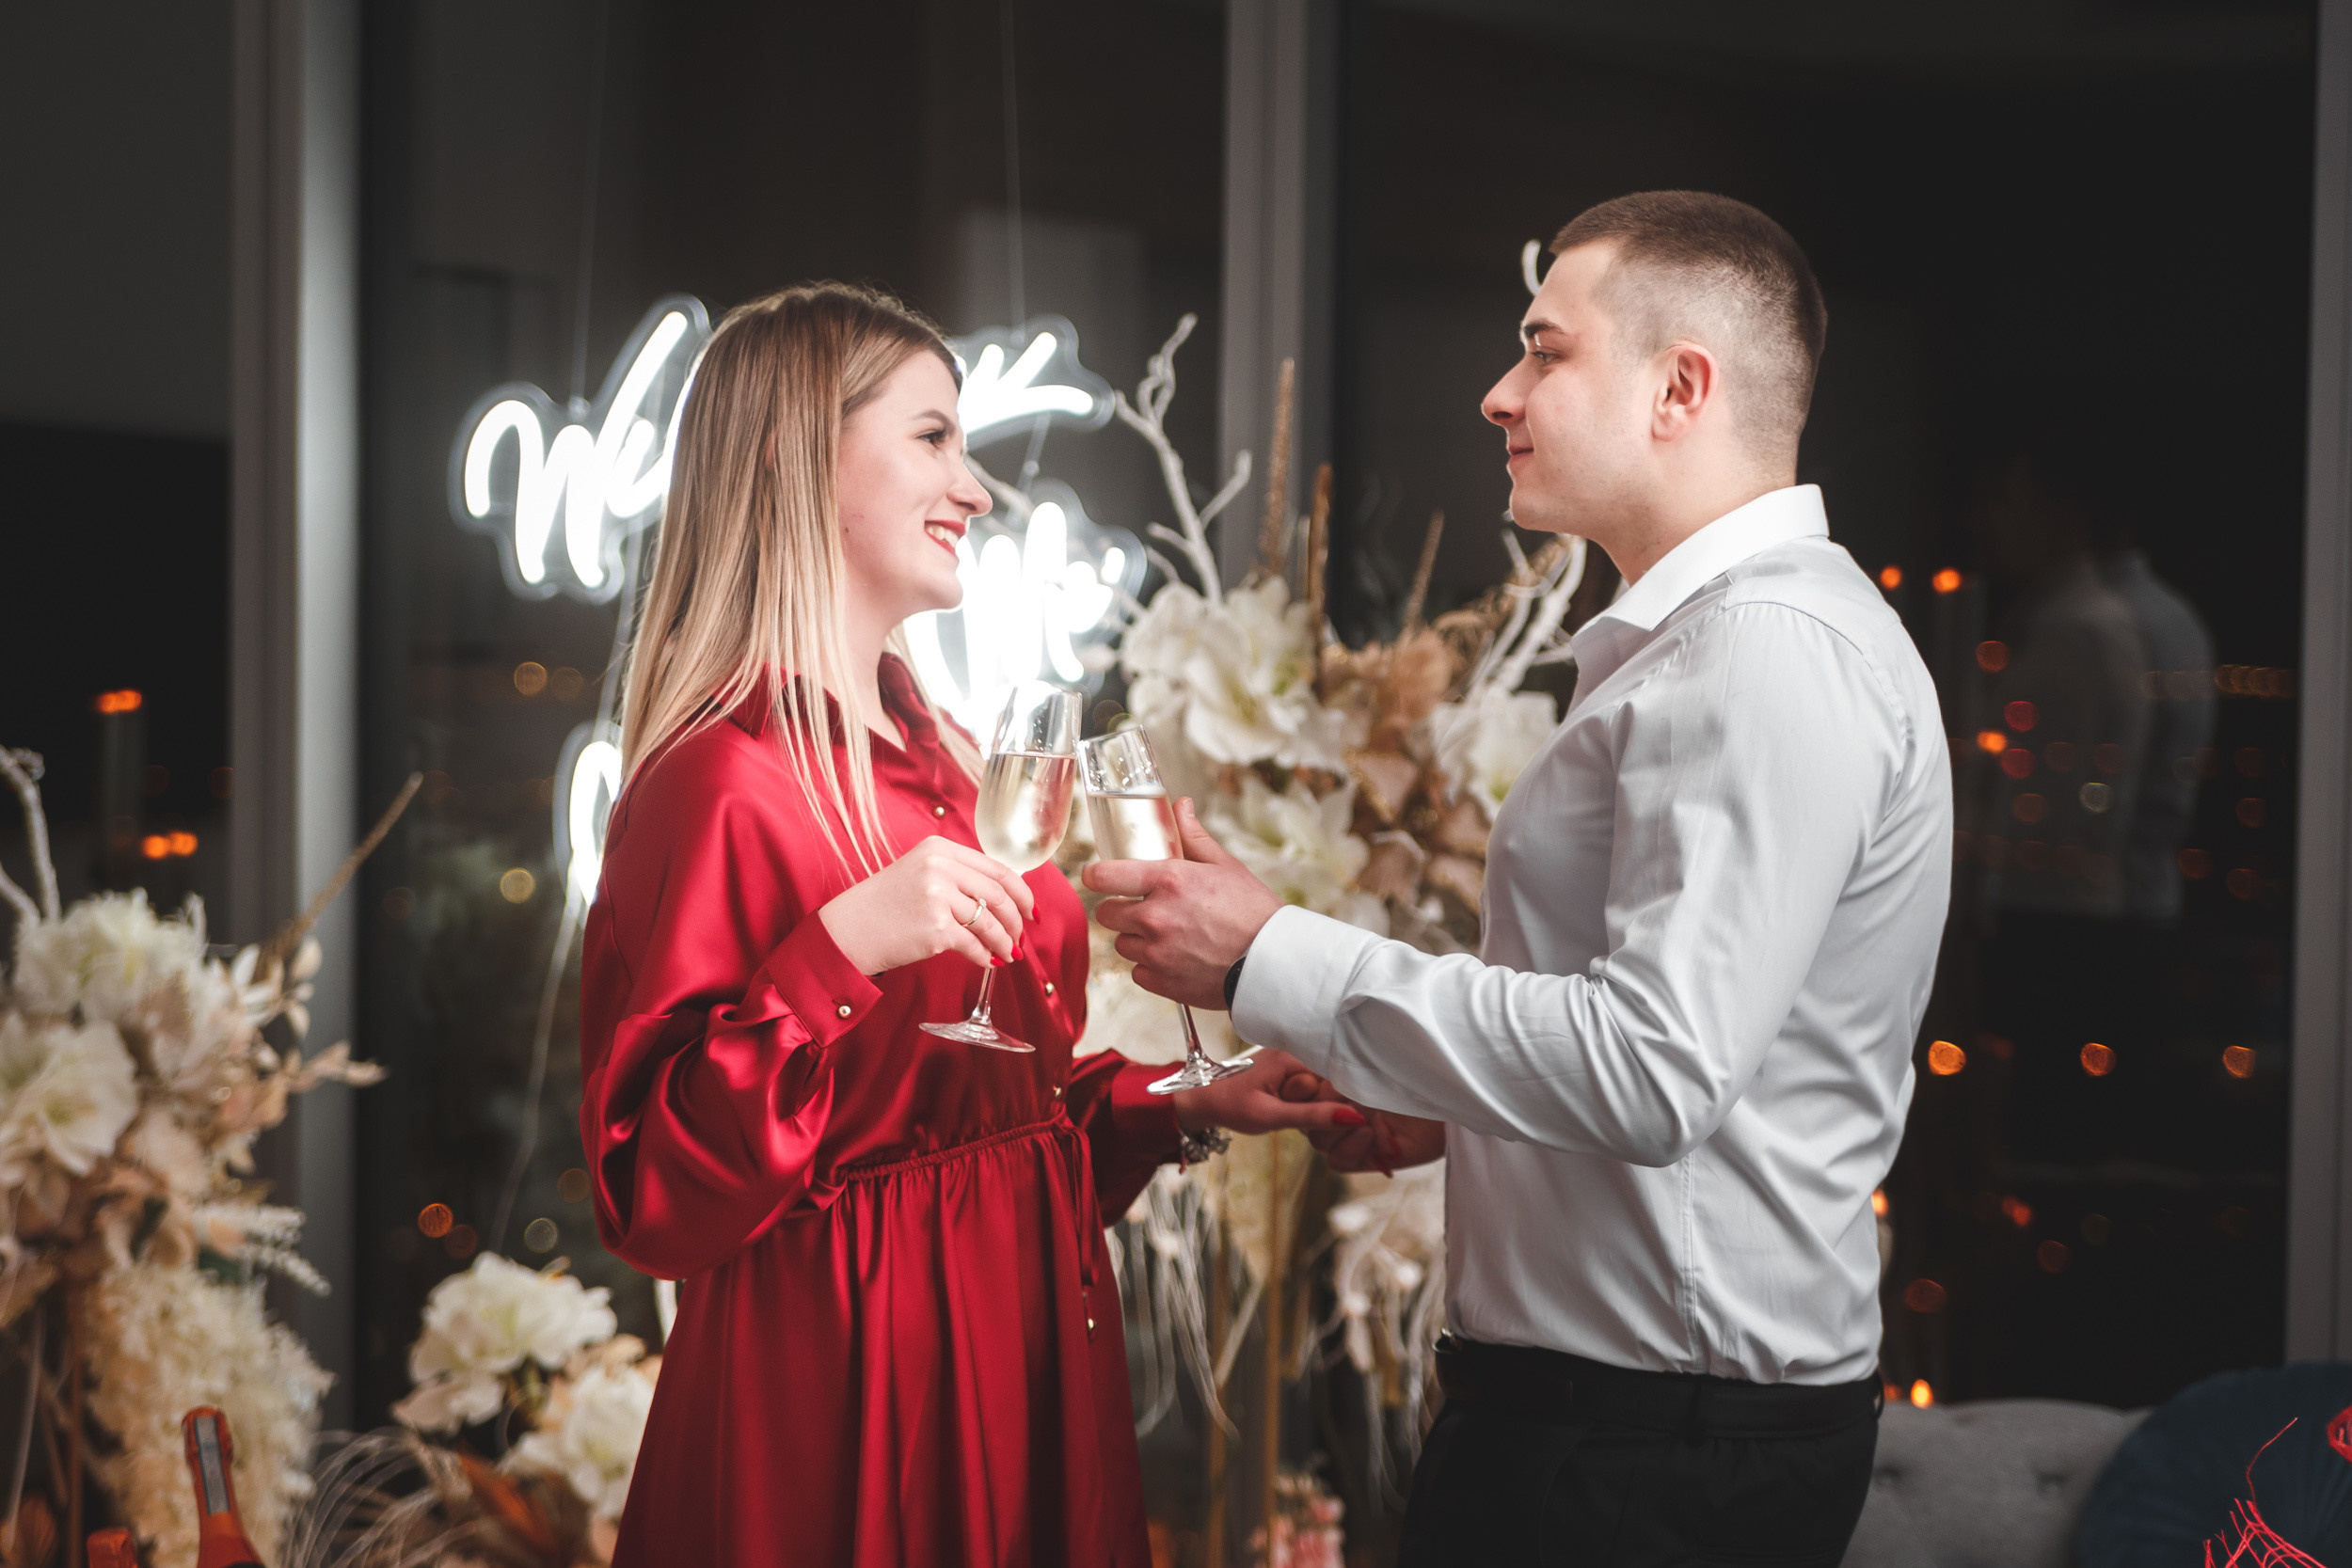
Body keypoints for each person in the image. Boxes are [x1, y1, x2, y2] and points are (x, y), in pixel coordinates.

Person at [1091, 193, 1952, 1566]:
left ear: (1682, 387)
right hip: (1632, 1429)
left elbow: (1660, 1069)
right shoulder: (1716, 646)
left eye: (1546, 351)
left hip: (1643, 1455)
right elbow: (1695, 1067)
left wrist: (1270, 957)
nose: (1502, 393)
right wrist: (1453, 1117)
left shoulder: (1764, 655)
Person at [577, 282, 1360, 1567]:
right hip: (847, 1399)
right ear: (792, 454)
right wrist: (836, 954)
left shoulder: (944, 757)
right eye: (934, 437)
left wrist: (1183, 1100)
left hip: (1020, 1348)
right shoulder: (719, 782)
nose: (976, 488)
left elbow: (992, 1133)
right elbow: (652, 1194)